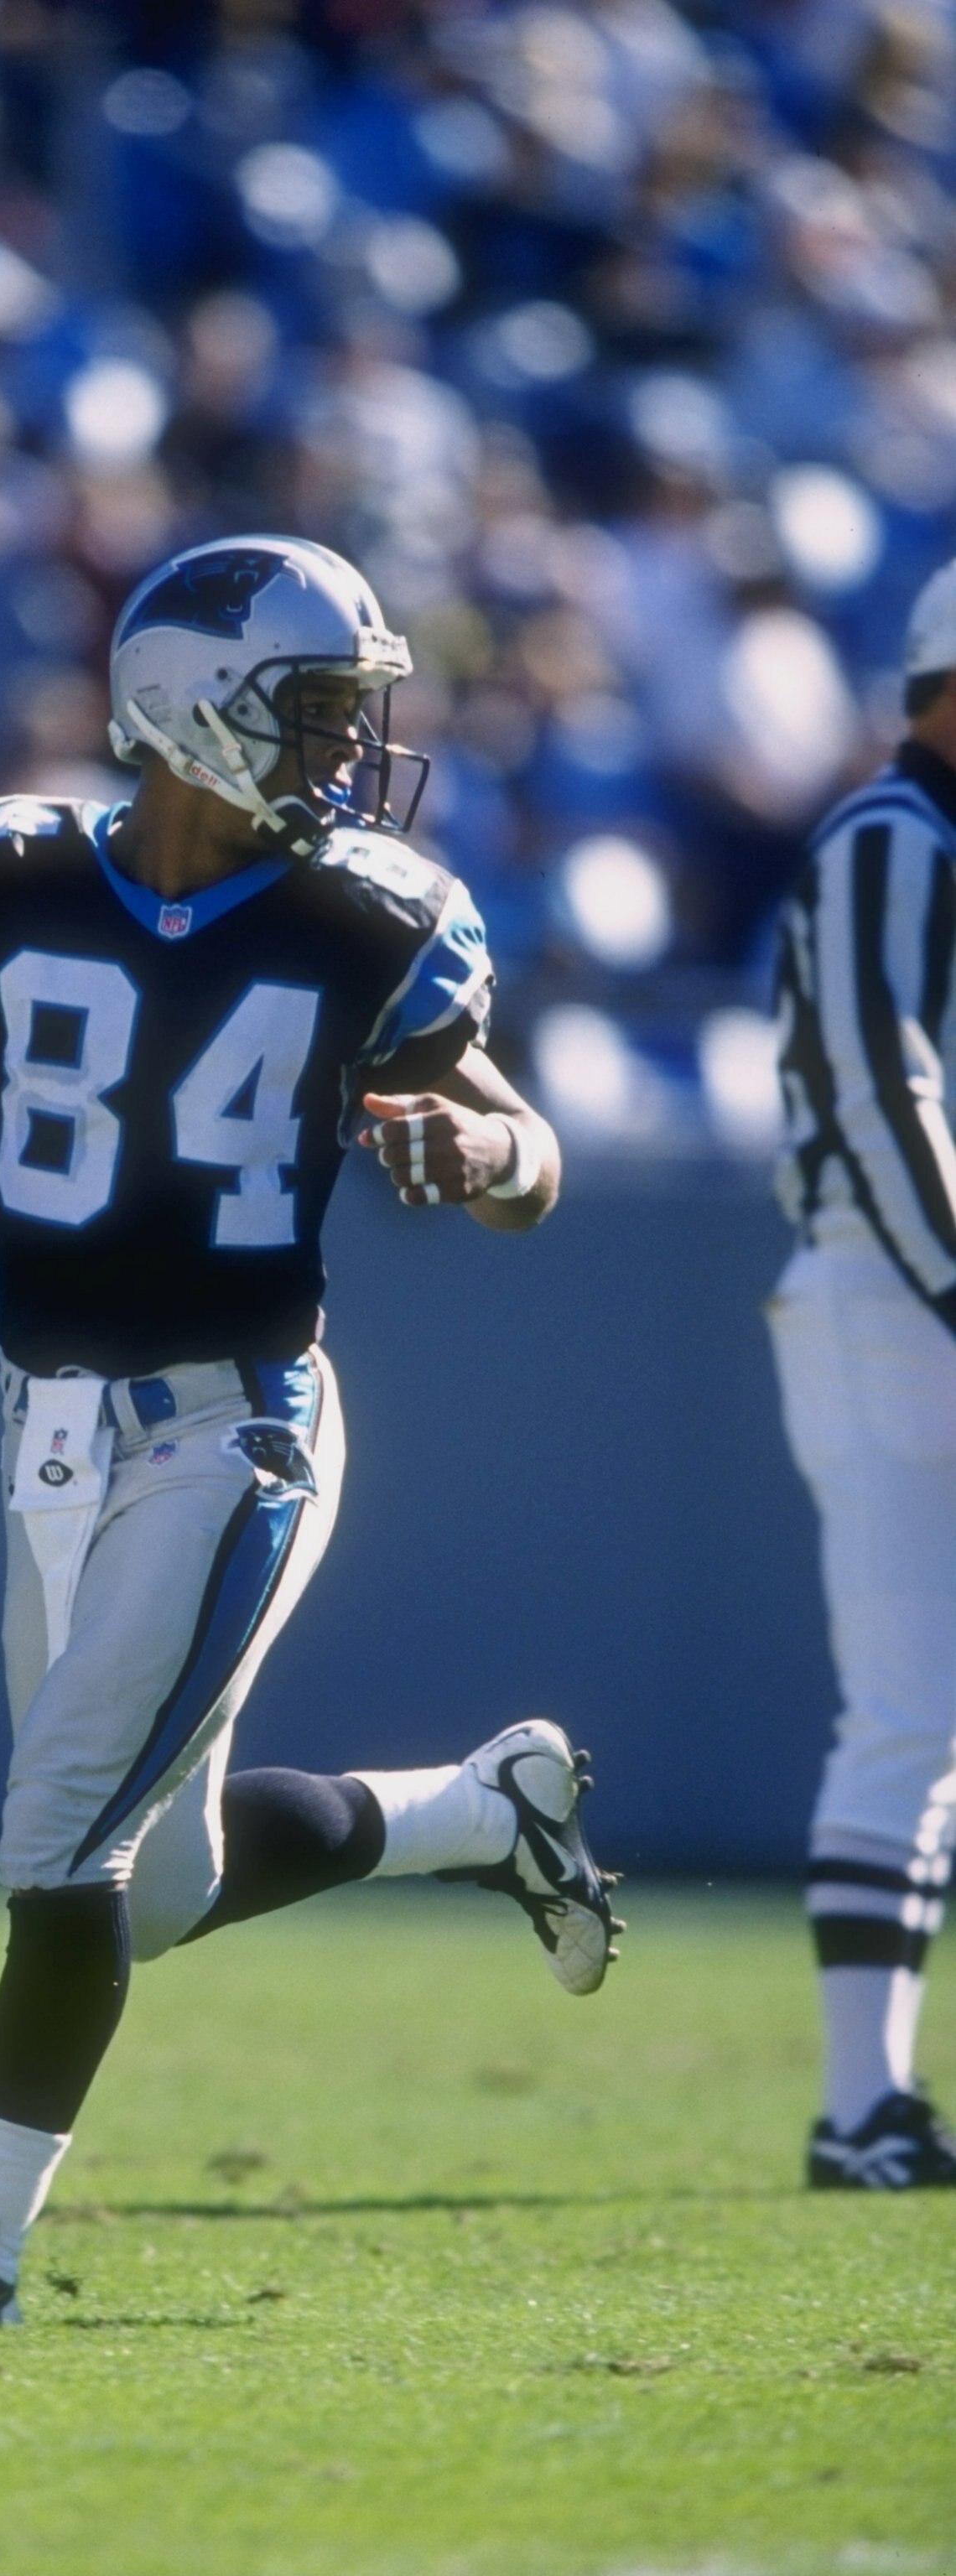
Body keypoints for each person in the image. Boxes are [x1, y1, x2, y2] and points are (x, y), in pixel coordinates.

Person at [0, 537, 621, 2330]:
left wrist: (477, 1155)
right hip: (46, 1432)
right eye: (320, 709)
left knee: (58, 1841)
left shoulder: (373, 912)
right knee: (148, 1888)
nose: (352, 749)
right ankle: (483, 1814)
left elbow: (531, 1156)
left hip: (237, 1427)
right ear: (193, 712)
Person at [772, 558, 956, 2190]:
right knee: (910, 1709)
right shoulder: (890, 839)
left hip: (910, 1292)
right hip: (892, 1297)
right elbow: (888, 1096)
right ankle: (859, 2105)